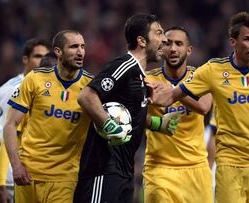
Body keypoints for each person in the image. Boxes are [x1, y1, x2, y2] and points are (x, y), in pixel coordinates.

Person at [149, 12, 249, 203]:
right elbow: (171, 96)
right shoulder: (213, 70)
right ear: (233, 41)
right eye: (248, 39)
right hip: (229, 165)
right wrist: (150, 95)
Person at [74, 14, 182, 203]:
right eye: (159, 33)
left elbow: (131, 115)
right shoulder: (125, 65)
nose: (164, 39)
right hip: (103, 168)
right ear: (141, 40)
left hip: (124, 171)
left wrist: (158, 124)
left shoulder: (141, 78)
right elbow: (87, 96)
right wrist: (108, 125)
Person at [3, 30, 92, 203]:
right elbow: (10, 125)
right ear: (58, 51)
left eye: (82, 46)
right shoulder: (35, 79)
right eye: (74, 47)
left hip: (64, 177)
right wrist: (16, 166)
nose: (80, 52)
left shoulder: (90, 87)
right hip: (28, 173)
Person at [144, 26, 213, 203]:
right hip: (159, 168)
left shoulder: (201, 77)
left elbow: (204, 107)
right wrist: (155, 122)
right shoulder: (147, 80)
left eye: (179, 44)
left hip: (196, 168)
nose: (173, 48)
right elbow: (134, 115)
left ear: (189, 50)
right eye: (168, 44)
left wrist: (174, 92)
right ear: (161, 48)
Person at [0, 38, 49, 203]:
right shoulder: (14, 89)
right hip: (12, 177)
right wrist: (1, 181)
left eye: (46, 56)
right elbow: (1, 132)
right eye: (38, 56)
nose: (43, 61)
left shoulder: (44, 87)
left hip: (33, 175)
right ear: (25, 59)